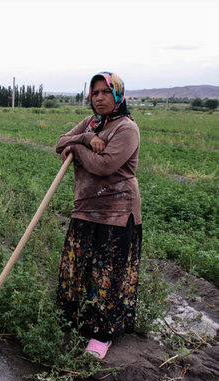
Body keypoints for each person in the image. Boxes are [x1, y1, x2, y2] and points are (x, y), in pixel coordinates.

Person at [55, 72, 142, 360]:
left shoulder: (126, 129)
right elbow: (60, 142)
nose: (100, 98)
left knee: (107, 276)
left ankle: (102, 336)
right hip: (85, 207)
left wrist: (76, 148)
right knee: (77, 268)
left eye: (106, 92)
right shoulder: (93, 123)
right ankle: (75, 322)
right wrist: (86, 137)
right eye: (95, 93)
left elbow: (103, 165)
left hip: (116, 212)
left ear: (118, 95)